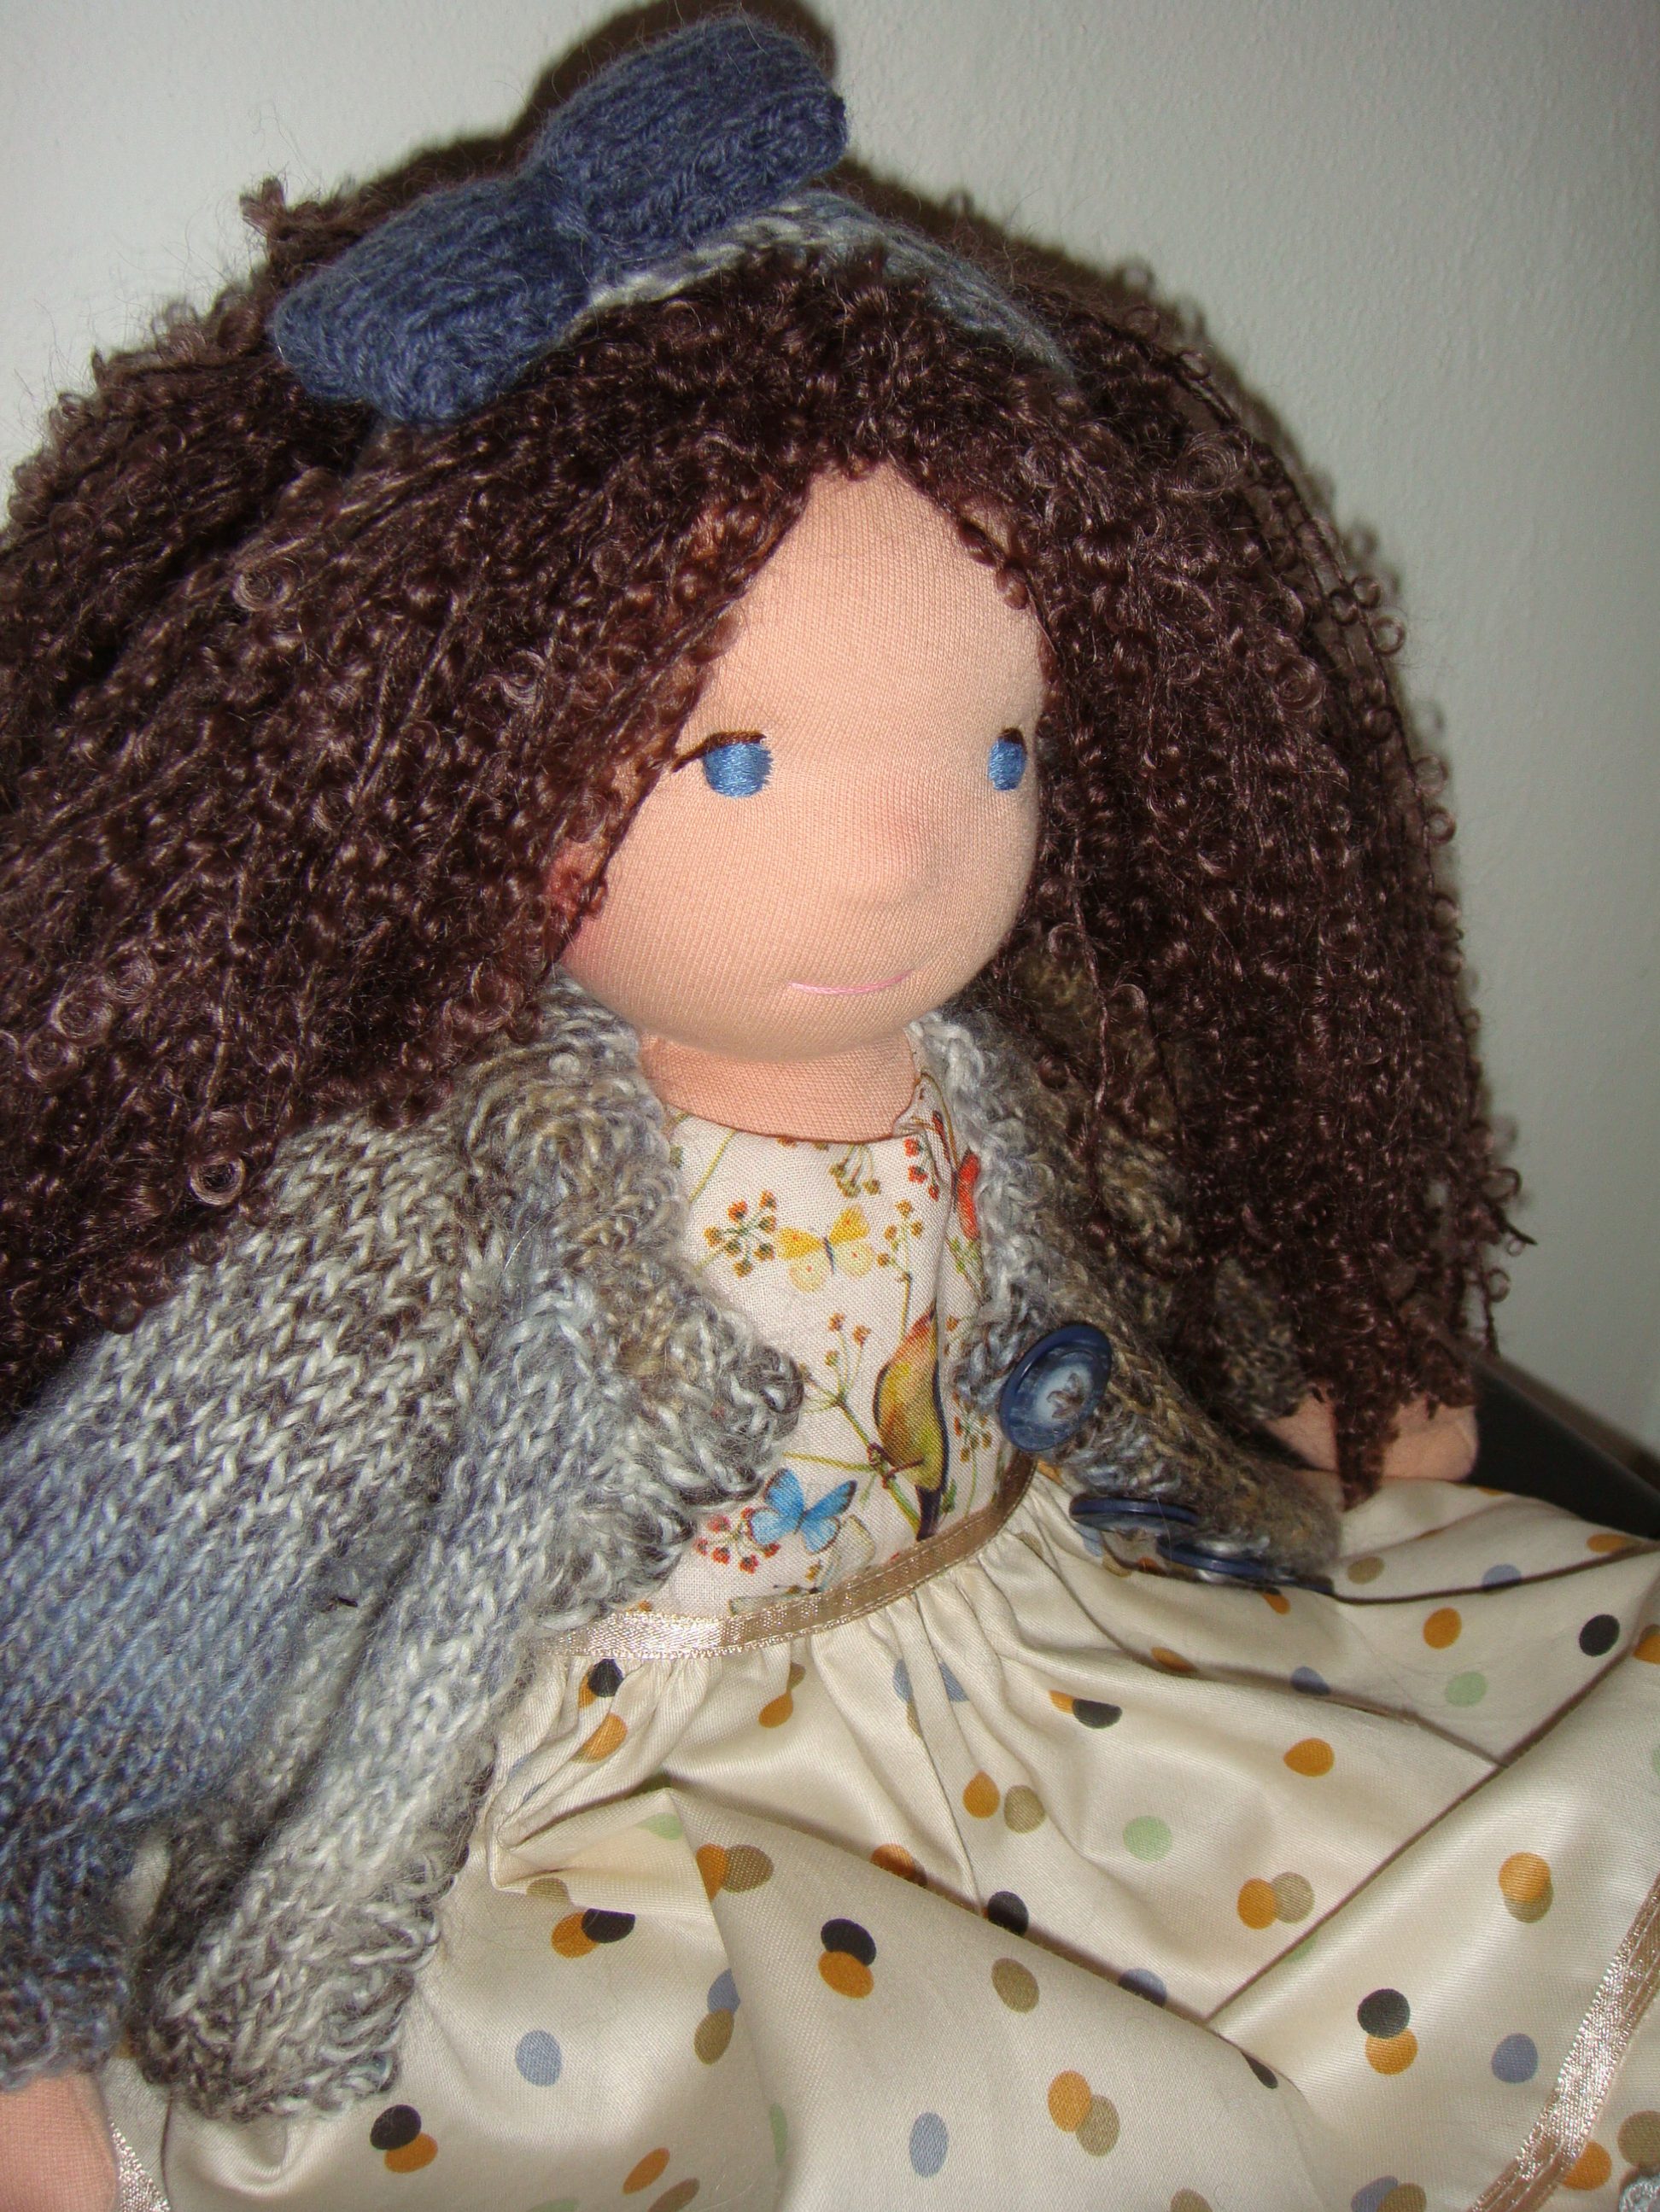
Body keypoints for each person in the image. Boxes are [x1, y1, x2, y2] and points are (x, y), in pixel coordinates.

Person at [3, 20, 1653, 2209]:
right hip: (613, 1827)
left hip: (1050, 1658)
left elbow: (1097, 1294)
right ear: (458, 749)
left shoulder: (995, 1080)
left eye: (1000, 753)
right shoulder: (413, 1225)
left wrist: (1301, 1384)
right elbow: (112, 1631)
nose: (912, 858)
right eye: (742, 760)